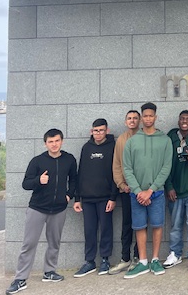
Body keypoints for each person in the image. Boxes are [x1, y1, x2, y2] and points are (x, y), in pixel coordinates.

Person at [6, 129, 77, 295]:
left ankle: (49, 272)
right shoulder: (37, 161)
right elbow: (25, 184)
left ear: (62, 141)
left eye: (57, 141)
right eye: (50, 142)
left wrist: (69, 195)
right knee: (29, 244)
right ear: (45, 144)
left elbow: (74, 180)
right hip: (37, 208)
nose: (54, 144)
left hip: (59, 209)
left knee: (54, 242)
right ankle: (20, 279)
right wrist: (39, 180)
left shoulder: (69, 159)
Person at [122, 102, 172, 278]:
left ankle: (155, 259)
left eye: (151, 115)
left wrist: (150, 190)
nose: (148, 118)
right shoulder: (131, 142)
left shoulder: (165, 140)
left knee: (157, 225)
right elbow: (127, 168)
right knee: (139, 226)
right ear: (141, 118)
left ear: (155, 117)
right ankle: (143, 262)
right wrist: (138, 191)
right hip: (136, 194)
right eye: (145, 116)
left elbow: (166, 167)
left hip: (156, 193)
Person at [73, 118, 118, 276]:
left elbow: (116, 173)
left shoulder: (113, 146)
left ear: (107, 131)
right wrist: (77, 198)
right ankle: (89, 261)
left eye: (101, 130)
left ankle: (105, 260)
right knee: (89, 230)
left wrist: (113, 197)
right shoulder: (86, 148)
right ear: (91, 131)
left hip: (105, 198)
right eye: (96, 131)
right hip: (87, 198)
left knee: (106, 229)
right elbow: (81, 172)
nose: (98, 133)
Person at [162, 110, 188, 272]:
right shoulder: (171, 137)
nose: (184, 121)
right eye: (182, 119)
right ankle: (175, 253)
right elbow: (165, 163)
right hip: (175, 190)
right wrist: (169, 186)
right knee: (175, 225)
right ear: (178, 121)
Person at [109, 110, 141, 275]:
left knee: (140, 224)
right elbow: (116, 164)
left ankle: (137, 257)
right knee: (126, 224)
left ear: (139, 121)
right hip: (126, 190)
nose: (132, 121)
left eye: (135, 118)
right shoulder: (122, 139)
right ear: (125, 121)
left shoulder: (144, 137)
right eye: (129, 118)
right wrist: (122, 184)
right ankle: (125, 258)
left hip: (141, 191)